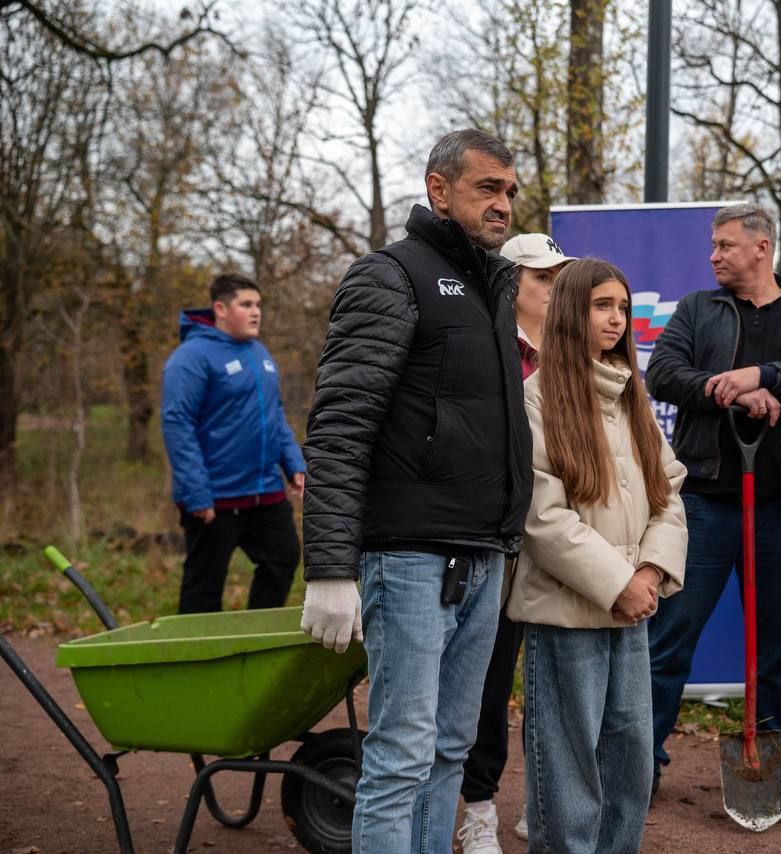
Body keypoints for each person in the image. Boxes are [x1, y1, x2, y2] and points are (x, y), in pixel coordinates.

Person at [299, 128, 533, 854]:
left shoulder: (496, 287)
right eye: (487, 188)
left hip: (483, 555)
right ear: (439, 188)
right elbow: (340, 424)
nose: (504, 204)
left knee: (450, 750)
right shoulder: (390, 275)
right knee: (401, 754)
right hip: (407, 560)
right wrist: (331, 569)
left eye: (510, 191)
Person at [646, 203, 781, 802]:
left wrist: (766, 376)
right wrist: (725, 389)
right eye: (713, 245)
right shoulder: (697, 310)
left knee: (776, 645)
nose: (714, 256)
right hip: (707, 501)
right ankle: (643, 761)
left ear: (762, 247)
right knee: (672, 636)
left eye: (726, 245)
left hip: (778, 506)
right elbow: (662, 374)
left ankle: (775, 759)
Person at [508, 258, 688, 853]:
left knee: (630, 756)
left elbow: (668, 492)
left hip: (629, 606)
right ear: (569, 313)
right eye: (601, 306)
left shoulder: (632, 396)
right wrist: (617, 583)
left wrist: (650, 571)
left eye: (622, 307)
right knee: (567, 768)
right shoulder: (535, 401)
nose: (616, 319)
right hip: (568, 613)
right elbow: (542, 516)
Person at [457, 232, 575, 854]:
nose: (556, 294)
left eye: (561, 281)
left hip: (561, 544)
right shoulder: (487, 349)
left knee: (554, 682)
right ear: (510, 286)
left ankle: (543, 799)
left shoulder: (578, 356)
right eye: (543, 281)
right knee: (491, 679)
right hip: (499, 543)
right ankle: (477, 807)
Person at [160, 272, 304, 614]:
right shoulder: (191, 357)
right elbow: (177, 424)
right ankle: (195, 660)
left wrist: (294, 464)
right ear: (220, 309)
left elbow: (275, 415)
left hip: (265, 492)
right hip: (214, 498)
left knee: (283, 559)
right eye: (246, 304)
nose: (256, 312)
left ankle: (251, 641)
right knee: (204, 586)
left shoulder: (260, 353)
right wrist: (196, 493)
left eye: (258, 305)